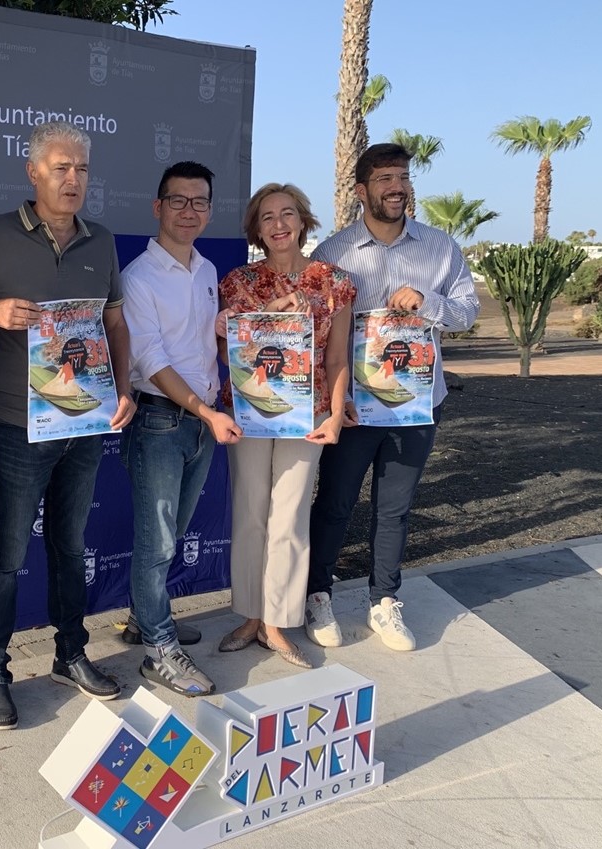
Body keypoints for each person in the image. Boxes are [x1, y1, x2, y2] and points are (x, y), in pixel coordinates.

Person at [0, 121, 136, 730]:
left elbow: (113, 323)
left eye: (82, 169)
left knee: (69, 545)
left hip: (83, 424)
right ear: (33, 173)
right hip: (15, 425)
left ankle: (70, 653)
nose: (73, 179)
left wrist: (124, 386)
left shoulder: (102, 240)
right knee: (6, 554)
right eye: (61, 168)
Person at [306, 143, 478, 651]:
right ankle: (318, 594)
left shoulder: (441, 248)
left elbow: (468, 313)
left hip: (416, 403)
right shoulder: (332, 253)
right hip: (354, 408)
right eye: (384, 179)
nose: (396, 187)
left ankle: (384, 601)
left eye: (402, 177)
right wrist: (332, 402)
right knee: (335, 504)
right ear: (362, 191)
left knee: (394, 509)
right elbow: (314, 332)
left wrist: (430, 302)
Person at [215, 183, 356, 668]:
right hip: (250, 413)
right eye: (267, 217)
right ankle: (251, 615)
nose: (278, 224)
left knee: (290, 518)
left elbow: (337, 358)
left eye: (288, 214)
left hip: (308, 415)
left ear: (303, 221)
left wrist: (336, 415)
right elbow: (227, 355)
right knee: (251, 512)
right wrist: (243, 322)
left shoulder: (333, 282)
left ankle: (277, 622)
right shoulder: (237, 282)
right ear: (256, 228)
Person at [119, 161, 242, 697]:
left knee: (171, 533)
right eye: (178, 201)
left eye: (199, 202)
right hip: (161, 422)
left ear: (210, 210)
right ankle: (158, 651)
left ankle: (142, 620)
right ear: (158, 207)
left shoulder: (209, 270)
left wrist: (225, 343)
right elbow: (149, 358)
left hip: (200, 420)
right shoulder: (137, 278)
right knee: (159, 540)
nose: (189, 211)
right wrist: (206, 411)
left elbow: (201, 351)